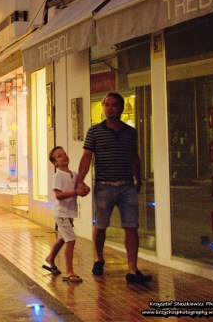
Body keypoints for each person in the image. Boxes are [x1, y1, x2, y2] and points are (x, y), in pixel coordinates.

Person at [75, 92, 152, 284]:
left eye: (114, 105)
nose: (110, 108)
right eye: (107, 105)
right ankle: (98, 258)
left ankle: (132, 270)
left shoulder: (130, 132)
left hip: (127, 186)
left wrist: (138, 179)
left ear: (122, 108)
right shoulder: (94, 132)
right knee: (101, 225)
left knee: (131, 227)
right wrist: (79, 181)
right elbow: (86, 157)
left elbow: (134, 157)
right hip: (104, 186)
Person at [44, 146, 86, 283]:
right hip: (61, 213)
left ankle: (50, 258)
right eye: (59, 156)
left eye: (64, 154)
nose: (64, 157)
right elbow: (58, 195)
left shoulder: (74, 174)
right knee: (70, 240)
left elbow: (82, 187)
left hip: (69, 213)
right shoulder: (58, 176)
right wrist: (75, 193)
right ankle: (69, 271)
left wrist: (85, 189)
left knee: (63, 238)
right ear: (55, 163)